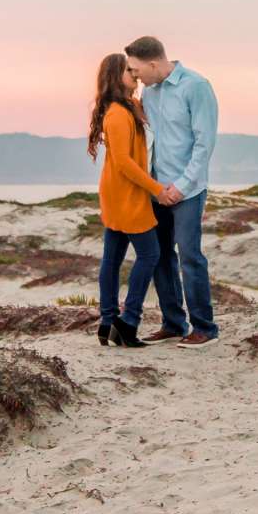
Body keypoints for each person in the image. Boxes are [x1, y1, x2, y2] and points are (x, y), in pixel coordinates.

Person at [123, 36, 218, 345]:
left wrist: (181, 186)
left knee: (190, 256)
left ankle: (204, 328)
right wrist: (152, 186)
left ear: (153, 63)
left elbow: (204, 144)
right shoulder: (149, 93)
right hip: (156, 191)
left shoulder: (196, 86)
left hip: (187, 190)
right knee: (160, 256)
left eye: (136, 70)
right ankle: (173, 323)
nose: (135, 77)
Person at [87, 51, 168, 347]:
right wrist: (156, 188)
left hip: (116, 192)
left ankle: (108, 321)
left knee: (112, 259)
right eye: (129, 72)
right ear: (114, 76)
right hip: (126, 194)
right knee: (150, 254)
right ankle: (128, 321)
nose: (135, 75)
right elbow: (123, 161)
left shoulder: (128, 106)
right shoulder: (118, 114)